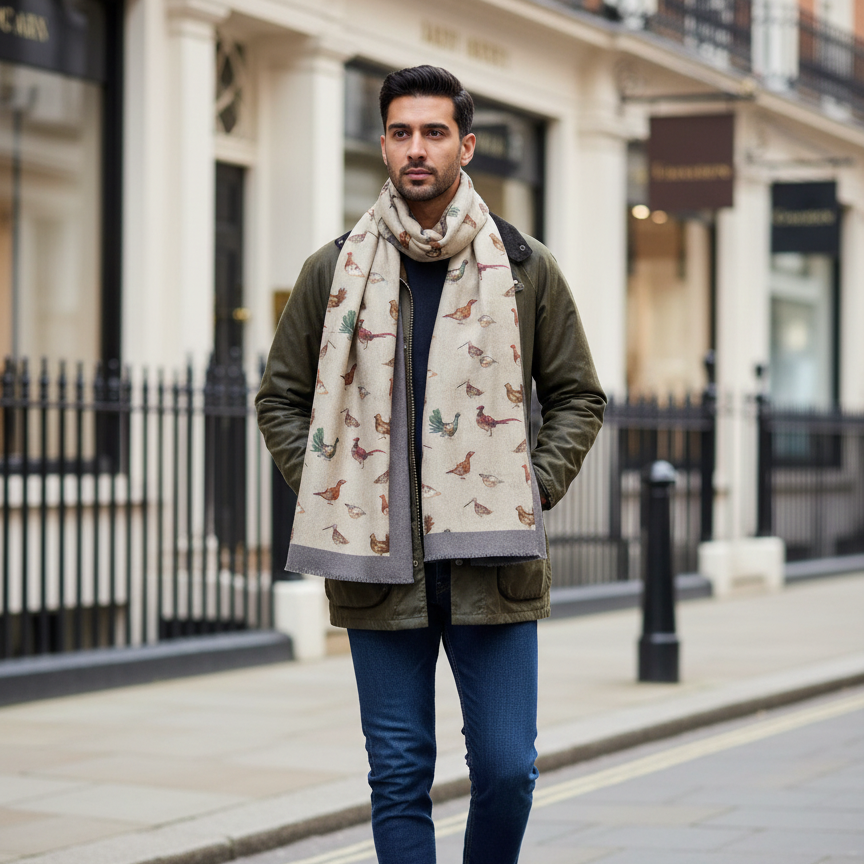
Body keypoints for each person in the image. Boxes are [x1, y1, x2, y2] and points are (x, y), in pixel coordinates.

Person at [257, 65, 606, 864]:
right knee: (400, 775)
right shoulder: (334, 268)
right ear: (383, 144)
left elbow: (579, 394)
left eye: (435, 132)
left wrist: (530, 484)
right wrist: (329, 490)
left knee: (509, 771)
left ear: (466, 145)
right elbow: (279, 398)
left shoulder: (523, 267)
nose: (418, 149)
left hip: (495, 568)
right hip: (378, 570)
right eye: (403, 132)